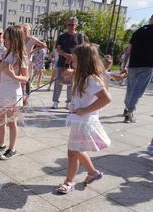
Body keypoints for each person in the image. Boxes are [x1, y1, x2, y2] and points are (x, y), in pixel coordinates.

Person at [56, 44, 111, 194]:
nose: (72, 63)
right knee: (77, 149)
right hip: (80, 121)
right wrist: (72, 72)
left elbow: (106, 99)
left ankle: (69, 182)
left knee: (72, 151)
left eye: (74, 61)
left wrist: (85, 110)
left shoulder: (91, 80)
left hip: (84, 121)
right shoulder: (85, 77)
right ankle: (93, 173)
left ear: (84, 61)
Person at [0, 25, 29, 160]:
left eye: (8, 38)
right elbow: (2, 71)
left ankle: (12, 148)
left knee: (11, 122)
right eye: (4, 38)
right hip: (3, 91)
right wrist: (0, 69)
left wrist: (13, 75)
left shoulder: (22, 56)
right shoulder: (7, 53)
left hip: (13, 92)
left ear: (16, 39)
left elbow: (25, 78)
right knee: (0, 119)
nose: (5, 41)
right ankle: (1, 143)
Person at [121, 15, 153, 123]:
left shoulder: (138, 31)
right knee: (138, 91)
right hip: (147, 66)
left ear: (150, 20)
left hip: (133, 65)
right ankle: (129, 112)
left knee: (130, 88)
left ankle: (126, 108)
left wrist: (124, 65)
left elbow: (128, 50)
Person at [52, 17, 85, 109]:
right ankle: (55, 101)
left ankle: (69, 102)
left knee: (72, 83)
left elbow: (82, 49)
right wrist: (66, 55)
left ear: (76, 25)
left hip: (74, 64)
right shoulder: (61, 36)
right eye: (69, 24)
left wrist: (73, 57)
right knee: (58, 81)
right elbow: (58, 49)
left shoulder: (79, 36)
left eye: (72, 24)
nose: (70, 26)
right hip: (62, 62)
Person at [21, 24, 47, 104]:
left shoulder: (32, 39)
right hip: (20, 61)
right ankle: (21, 96)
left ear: (29, 31)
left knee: (27, 80)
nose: (24, 32)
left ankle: (26, 98)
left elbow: (44, 45)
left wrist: (33, 51)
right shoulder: (20, 39)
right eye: (23, 30)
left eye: (26, 31)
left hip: (28, 62)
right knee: (20, 79)